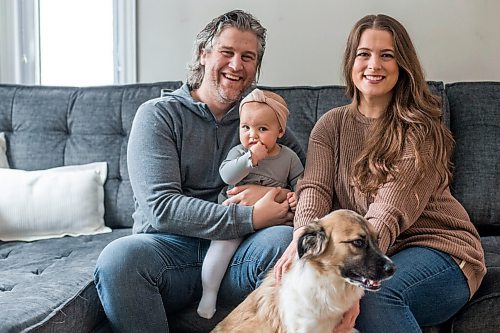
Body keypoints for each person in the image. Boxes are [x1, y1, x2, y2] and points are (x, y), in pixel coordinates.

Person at [94, 10, 307, 332]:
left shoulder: (265, 121)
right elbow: (162, 207)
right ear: (203, 54)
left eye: (248, 57)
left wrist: (275, 196)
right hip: (169, 251)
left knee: (282, 241)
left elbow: (311, 187)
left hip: (243, 253)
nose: (237, 65)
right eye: (227, 52)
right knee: (119, 259)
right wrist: (250, 216)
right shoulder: (159, 116)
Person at [274, 14, 486, 333]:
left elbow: (388, 211)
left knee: (377, 295)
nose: (374, 64)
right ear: (351, 62)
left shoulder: (420, 130)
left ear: (402, 65)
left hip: (443, 252)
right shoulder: (329, 126)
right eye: (364, 54)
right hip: (378, 252)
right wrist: (301, 238)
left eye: (386, 55)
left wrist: (360, 280)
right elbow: (314, 190)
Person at [197, 88, 304, 319]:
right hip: (236, 216)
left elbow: (301, 183)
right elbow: (227, 176)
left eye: (262, 129)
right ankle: (209, 293)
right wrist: (249, 159)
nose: (252, 135)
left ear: (280, 131)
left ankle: (267, 310)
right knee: (220, 249)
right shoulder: (239, 152)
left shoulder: (289, 158)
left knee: (281, 241)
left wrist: (295, 194)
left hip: (271, 224)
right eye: (245, 127)